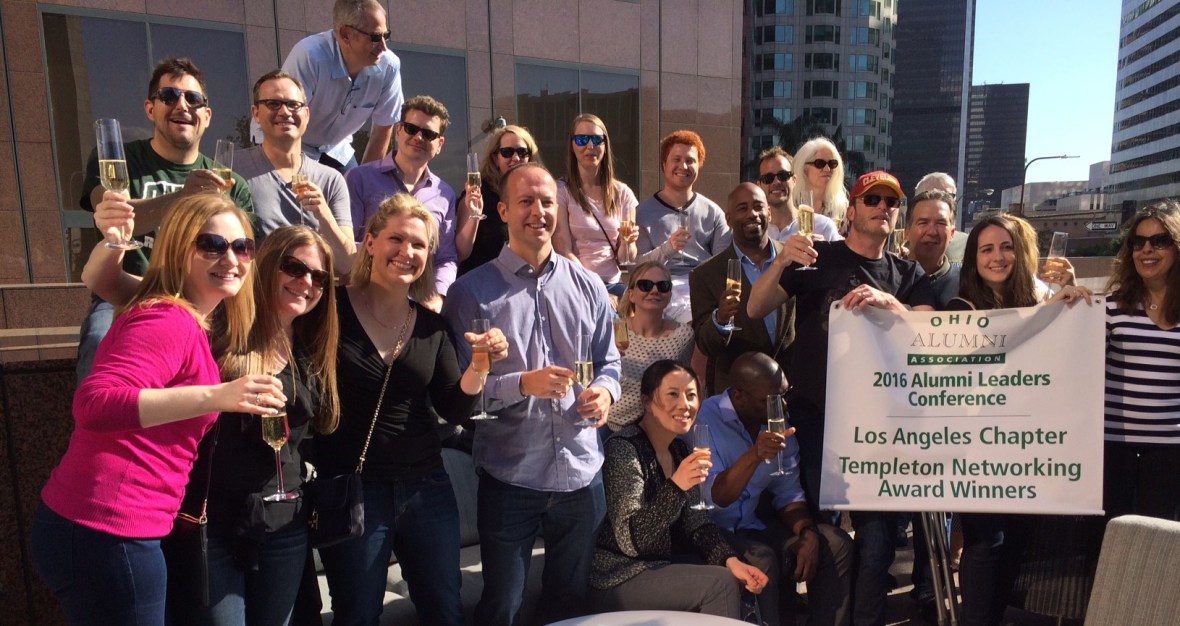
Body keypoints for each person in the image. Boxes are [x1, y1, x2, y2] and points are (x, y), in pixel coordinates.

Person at [31, 192, 283, 626]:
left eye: (242, 247)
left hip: (106, 528)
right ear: (178, 249)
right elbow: (95, 404)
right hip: (109, 530)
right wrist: (219, 395)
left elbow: (100, 279)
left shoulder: (183, 315)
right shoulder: (167, 319)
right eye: (212, 245)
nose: (231, 258)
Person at [748, 171, 940, 626]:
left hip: (883, 429)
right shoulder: (816, 257)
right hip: (817, 420)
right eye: (871, 199)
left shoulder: (909, 273)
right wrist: (779, 261)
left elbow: (930, 331)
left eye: (890, 202)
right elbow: (755, 308)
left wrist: (889, 303)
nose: (882, 207)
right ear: (850, 210)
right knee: (821, 536)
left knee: (876, 545)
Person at [315, 194, 506, 626]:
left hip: (426, 487)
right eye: (396, 239)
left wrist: (480, 366)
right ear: (369, 243)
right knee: (357, 614)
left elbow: (454, 407)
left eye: (418, 245)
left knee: (444, 609)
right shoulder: (329, 310)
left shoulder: (431, 326)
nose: (407, 252)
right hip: (356, 490)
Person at [443, 163, 621, 626]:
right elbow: (459, 398)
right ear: (502, 210)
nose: (538, 211)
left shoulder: (588, 286)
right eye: (525, 201)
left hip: (583, 477)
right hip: (510, 479)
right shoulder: (469, 293)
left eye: (546, 201)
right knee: (503, 606)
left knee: (569, 606)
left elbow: (610, 363)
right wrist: (523, 384)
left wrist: (604, 392)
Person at [948, 214, 1091, 626]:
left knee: (1015, 546)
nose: (998, 257)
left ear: (1021, 252)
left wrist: (1070, 299)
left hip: (1029, 448)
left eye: (1006, 247)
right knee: (985, 543)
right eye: (987, 249)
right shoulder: (961, 306)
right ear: (973, 258)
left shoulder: (1037, 300)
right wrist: (1046, 313)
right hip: (977, 448)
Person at [77, 57, 254, 380]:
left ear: (207, 115)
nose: (182, 106)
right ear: (150, 109)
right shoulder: (121, 160)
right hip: (129, 293)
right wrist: (182, 197)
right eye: (169, 96)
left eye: (193, 99)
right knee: (98, 340)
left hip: (201, 299)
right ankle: (99, 427)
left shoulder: (231, 183)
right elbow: (115, 220)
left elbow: (245, 256)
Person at [590, 360, 768, 618]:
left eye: (692, 395)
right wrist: (676, 486)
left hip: (660, 565)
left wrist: (731, 560)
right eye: (673, 394)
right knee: (720, 585)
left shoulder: (680, 449)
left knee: (741, 572)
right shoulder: (624, 449)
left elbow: (698, 524)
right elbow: (631, 542)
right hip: (618, 575)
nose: (685, 405)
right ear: (647, 402)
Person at [698, 352, 853, 626]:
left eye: (783, 395)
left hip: (754, 525)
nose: (780, 406)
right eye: (769, 400)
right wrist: (754, 455)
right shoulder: (706, 418)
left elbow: (789, 496)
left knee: (835, 543)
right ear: (738, 396)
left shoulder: (779, 423)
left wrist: (808, 532)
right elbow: (717, 496)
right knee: (763, 560)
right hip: (712, 531)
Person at [347, 95, 471, 311]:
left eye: (429, 134)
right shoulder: (359, 179)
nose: (418, 137)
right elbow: (347, 243)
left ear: (439, 144)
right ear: (398, 131)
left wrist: (439, 296)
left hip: (420, 308)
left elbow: (447, 257)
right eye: (411, 129)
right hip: (367, 301)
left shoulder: (445, 194)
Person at [258, 0, 404, 171]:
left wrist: (364, 185)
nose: (383, 47)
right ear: (345, 35)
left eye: (385, 36)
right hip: (287, 141)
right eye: (375, 37)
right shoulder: (310, 56)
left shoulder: (390, 67)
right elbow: (284, 118)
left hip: (336, 148)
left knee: (352, 193)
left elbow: (383, 130)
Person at [1103, 200, 1180, 522]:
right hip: (1111, 446)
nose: (1147, 250)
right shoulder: (1111, 307)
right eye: (1138, 242)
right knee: (1105, 542)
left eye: (1159, 240)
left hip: (1170, 451)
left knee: (1157, 546)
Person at [236, 70, 355, 269]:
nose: (284, 112)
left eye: (293, 105)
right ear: (256, 114)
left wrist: (323, 214)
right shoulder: (231, 167)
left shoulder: (331, 179)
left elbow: (347, 264)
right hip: (253, 297)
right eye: (273, 104)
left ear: (306, 114)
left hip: (308, 296)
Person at [690, 183, 794, 396]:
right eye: (742, 208)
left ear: (769, 213)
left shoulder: (792, 258)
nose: (752, 214)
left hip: (791, 391)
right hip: (737, 400)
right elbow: (705, 343)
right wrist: (720, 319)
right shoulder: (706, 275)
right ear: (728, 219)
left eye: (758, 206)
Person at [636, 130, 732, 323]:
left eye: (690, 160)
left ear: (699, 166)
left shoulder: (713, 212)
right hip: (661, 288)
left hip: (703, 287)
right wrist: (668, 248)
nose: (683, 166)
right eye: (676, 159)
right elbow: (637, 268)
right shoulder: (642, 213)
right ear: (664, 165)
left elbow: (724, 264)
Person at [553, 113, 640, 297]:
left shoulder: (623, 194)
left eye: (596, 139)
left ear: (605, 145)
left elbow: (626, 259)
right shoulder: (561, 190)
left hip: (613, 285)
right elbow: (563, 250)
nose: (590, 146)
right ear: (572, 145)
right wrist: (596, 290)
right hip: (576, 284)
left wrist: (628, 242)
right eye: (582, 139)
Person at [612, 260, 695, 429]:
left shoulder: (682, 336)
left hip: (658, 430)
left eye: (662, 286)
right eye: (645, 285)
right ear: (631, 294)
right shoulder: (617, 330)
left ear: (670, 294)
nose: (654, 291)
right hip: (613, 426)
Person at [458, 124, 541, 275]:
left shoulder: (538, 197)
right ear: (495, 158)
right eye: (507, 152)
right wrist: (474, 214)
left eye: (522, 152)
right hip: (483, 285)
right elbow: (461, 251)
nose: (515, 158)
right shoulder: (477, 195)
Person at [756, 146, 841, 243]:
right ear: (759, 186)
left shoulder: (823, 227)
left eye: (783, 175)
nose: (776, 182)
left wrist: (823, 252)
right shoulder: (754, 232)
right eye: (768, 178)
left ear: (794, 180)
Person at [903, 190, 961, 310]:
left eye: (941, 223)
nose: (932, 232)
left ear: (952, 233)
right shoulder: (886, 279)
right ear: (906, 232)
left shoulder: (968, 284)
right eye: (923, 222)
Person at [790, 137, 849, 231]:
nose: (827, 169)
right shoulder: (791, 204)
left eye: (832, 164)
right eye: (820, 164)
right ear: (804, 168)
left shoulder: (843, 209)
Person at [914, 172, 967, 263]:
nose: (940, 202)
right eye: (930, 196)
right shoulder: (901, 246)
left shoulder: (969, 243)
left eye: (948, 197)